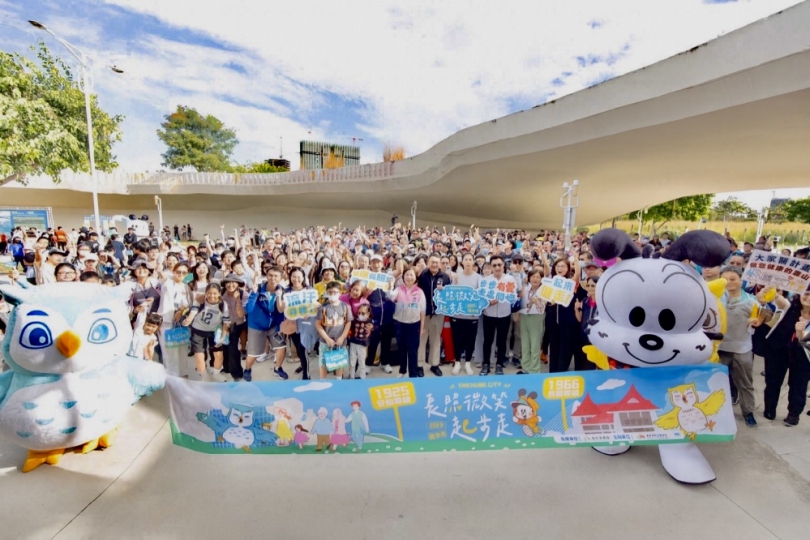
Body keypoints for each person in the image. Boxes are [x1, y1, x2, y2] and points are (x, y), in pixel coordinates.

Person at [757, 287, 810, 426]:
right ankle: (769, 409)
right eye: (807, 293)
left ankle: (794, 414)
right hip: (777, 349)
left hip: (803, 355)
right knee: (773, 380)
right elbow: (777, 297)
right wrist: (767, 291)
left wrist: (801, 334)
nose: (808, 297)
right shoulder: (790, 307)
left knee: (799, 384)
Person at [718, 266, 758, 428]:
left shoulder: (751, 301)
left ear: (741, 280)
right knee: (717, 382)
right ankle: (718, 412)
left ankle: (748, 412)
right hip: (719, 348)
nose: (729, 283)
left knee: (745, 383)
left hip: (742, 348)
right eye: (725, 279)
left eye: (733, 279)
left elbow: (764, 316)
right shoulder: (715, 298)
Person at [243, 266, 288, 382]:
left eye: (276, 276)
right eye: (270, 275)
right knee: (253, 354)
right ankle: (247, 369)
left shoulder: (283, 291)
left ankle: (277, 368)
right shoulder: (256, 288)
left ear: (281, 277)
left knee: (282, 348)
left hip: (273, 326)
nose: (273, 278)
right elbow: (248, 309)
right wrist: (253, 294)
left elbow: (281, 309)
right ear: (266, 276)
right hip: (256, 326)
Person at [183, 283, 230, 382]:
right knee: (199, 355)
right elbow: (193, 311)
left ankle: (216, 373)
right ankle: (203, 376)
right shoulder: (200, 300)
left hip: (214, 331)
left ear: (219, 294)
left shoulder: (223, 305)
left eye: (214, 293)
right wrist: (189, 319)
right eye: (209, 293)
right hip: (198, 330)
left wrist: (223, 336)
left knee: (219, 355)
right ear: (205, 293)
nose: (211, 296)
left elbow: (226, 322)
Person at [544, 257, 582, 373]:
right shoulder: (551, 282)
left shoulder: (570, 283)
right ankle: (553, 374)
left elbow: (578, 274)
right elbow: (546, 270)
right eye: (558, 266)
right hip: (553, 324)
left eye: (563, 266)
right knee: (554, 350)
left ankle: (561, 373)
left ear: (568, 268)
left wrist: (576, 259)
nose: (560, 268)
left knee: (565, 351)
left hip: (567, 324)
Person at [480, 255, 516, 376]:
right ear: (491, 267)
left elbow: (514, 297)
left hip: (504, 315)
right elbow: (481, 298)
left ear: (503, 266)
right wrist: (488, 302)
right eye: (494, 265)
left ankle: (499, 364)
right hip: (488, 314)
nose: (497, 267)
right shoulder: (485, 281)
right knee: (488, 341)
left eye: (499, 265)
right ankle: (486, 364)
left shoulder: (510, 280)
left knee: (501, 341)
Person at [417, 253, 453, 376]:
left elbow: (449, 295)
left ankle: (434, 364)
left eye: (437, 262)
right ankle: (420, 365)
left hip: (438, 313)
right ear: (428, 263)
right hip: (423, 313)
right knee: (422, 339)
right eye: (432, 262)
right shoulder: (422, 275)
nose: (434, 264)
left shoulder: (445, 277)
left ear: (440, 264)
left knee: (436, 340)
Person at [388, 267, 426, 378]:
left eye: (411, 275)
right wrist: (391, 286)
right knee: (401, 348)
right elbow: (390, 297)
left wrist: (422, 327)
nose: (409, 277)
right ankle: (402, 370)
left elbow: (423, 311)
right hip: (399, 324)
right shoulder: (399, 289)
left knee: (413, 350)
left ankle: (413, 373)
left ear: (415, 278)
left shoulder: (419, 292)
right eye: (407, 275)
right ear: (403, 277)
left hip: (414, 324)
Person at [158, 262, 193, 378]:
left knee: (182, 347)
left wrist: (180, 311)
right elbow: (161, 273)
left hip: (181, 322)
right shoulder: (167, 283)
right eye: (178, 271)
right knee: (169, 349)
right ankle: (171, 375)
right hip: (166, 321)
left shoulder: (186, 287)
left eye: (184, 272)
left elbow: (188, 303)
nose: (181, 274)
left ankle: (183, 373)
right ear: (174, 271)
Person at [450, 252, 481, 376]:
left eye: (470, 259)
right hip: (457, 315)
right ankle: (457, 362)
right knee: (457, 339)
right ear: (462, 262)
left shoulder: (479, 277)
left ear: (473, 262)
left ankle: (467, 362)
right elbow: (451, 294)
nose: (468, 262)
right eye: (465, 259)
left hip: (472, 315)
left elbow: (480, 295)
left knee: (470, 340)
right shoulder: (456, 276)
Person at [365, 254, 396, 374]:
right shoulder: (367, 278)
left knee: (386, 341)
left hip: (388, 316)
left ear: (382, 264)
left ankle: (385, 363)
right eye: (373, 262)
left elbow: (392, 295)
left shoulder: (387, 277)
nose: (376, 264)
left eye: (378, 262)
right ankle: (368, 363)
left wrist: (391, 286)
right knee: (372, 342)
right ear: (370, 264)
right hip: (374, 317)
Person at [315, 281, 352, 380]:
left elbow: (348, 322)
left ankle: (339, 380)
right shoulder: (323, 307)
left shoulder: (345, 306)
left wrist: (342, 337)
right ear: (327, 293)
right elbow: (318, 325)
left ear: (340, 293)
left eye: (335, 292)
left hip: (340, 341)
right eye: (330, 292)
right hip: (325, 341)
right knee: (323, 363)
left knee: (339, 361)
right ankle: (323, 381)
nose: (333, 294)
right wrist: (327, 339)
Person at [518, 268, 547, 374]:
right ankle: (525, 367)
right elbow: (520, 301)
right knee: (525, 343)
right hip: (524, 316)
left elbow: (542, 307)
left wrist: (536, 301)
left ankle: (534, 369)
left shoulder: (544, 290)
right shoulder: (526, 288)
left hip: (537, 317)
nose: (535, 279)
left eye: (538, 277)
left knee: (535, 344)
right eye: (533, 276)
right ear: (529, 278)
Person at [221, 273, 247, 381]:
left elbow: (241, 314)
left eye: (233, 282)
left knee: (233, 348)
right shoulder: (222, 293)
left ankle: (237, 374)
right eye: (228, 282)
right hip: (224, 323)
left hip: (238, 323)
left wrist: (237, 300)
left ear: (238, 284)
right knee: (224, 347)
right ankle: (227, 367)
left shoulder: (243, 294)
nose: (230, 284)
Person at [348, 304, 374, 379]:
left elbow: (375, 328)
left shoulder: (370, 321)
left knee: (362, 362)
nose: (360, 315)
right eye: (359, 313)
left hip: (362, 344)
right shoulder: (354, 321)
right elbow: (349, 328)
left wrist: (372, 327)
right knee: (352, 362)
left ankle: (362, 377)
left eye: (363, 313)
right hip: (353, 343)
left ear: (368, 314)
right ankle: (351, 377)